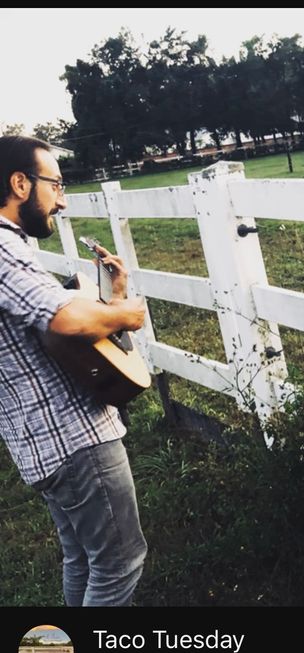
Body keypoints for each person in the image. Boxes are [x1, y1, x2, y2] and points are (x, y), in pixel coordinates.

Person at [0, 135, 148, 606]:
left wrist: (112, 297)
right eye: (56, 185)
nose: (61, 201)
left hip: (38, 441)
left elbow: (55, 327)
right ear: (20, 184)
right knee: (120, 563)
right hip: (72, 437)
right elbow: (65, 319)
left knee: (83, 559)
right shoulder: (2, 248)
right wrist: (127, 313)